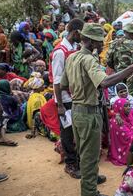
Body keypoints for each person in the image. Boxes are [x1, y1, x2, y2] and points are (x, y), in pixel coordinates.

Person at [60, 23, 133, 196]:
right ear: (91, 42)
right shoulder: (88, 59)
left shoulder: (72, 57)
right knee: (90, 155)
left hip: (77, 109)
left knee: (84, 152)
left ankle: (89, 181)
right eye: (100, 42)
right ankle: (90, 192)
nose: (101, 46)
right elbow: (104, 82)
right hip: (88, 112)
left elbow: (63, 85)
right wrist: (132, 68)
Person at [49, 18, 83, 179]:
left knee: (77, 132)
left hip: (74, 97)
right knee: (68, 133)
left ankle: (77, 161)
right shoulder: (60, 52)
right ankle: (70, 164)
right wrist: (60, 105)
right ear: (75, 32)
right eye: (81, 34)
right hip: (64, 99)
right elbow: (56, 81)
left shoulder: (74, 48)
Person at [106, 23, 133, 95]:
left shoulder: (114, 43)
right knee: (129, 95)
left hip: (119, 74)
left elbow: (108, 60)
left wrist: (115, 67)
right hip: (132, 74)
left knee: (120, 94)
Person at [108, 98, 133, 166]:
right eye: (126, 106)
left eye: (129, 105)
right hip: (125, 148)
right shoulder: (116, 122)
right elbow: (129, 138)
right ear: (119, 107)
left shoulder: (130, 115)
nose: (129, 108)